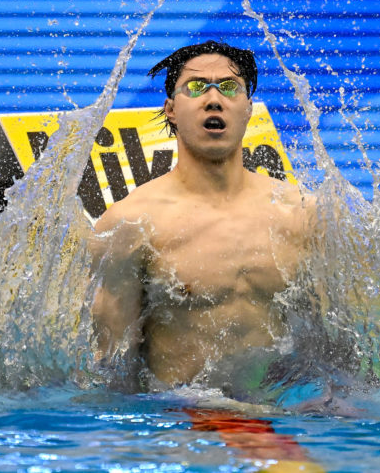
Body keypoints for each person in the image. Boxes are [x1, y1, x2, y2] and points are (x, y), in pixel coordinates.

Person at [89, 41, 319, 399]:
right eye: (195, 88)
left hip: (289, 411)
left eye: (230, 87)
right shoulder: (131, 225)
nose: (214, 99)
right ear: (170, 110)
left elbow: (344, 347)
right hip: (186, 419)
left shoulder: (302, 214)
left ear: (248, 109)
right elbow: (107, 365)